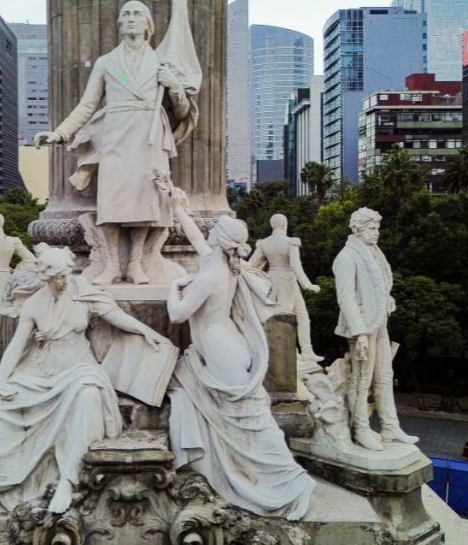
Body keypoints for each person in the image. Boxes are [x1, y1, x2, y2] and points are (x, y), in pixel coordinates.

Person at [0, 247, 173, 521]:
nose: (47, 277)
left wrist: (147, 332)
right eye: (43, 271)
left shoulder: (84, 291)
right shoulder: (34, 303)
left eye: (51, 271)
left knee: (88, 397)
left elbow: (115, 316)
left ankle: (67, 481)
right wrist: (1, 382)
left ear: (64, 272)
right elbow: (16, 346)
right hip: (40, 370)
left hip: (79, 368)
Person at [164, 188, 315, 521]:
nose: (208, 233)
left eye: (213, 230)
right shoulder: (219, 263)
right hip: (228, 347)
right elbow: (195, 237)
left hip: (221, 354)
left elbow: (177, 315)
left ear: (219, 237)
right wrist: (177, 207)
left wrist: (172, 288)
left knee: (253, 423)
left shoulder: (210, 275)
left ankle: (288, 482)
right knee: (198, 397)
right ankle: (220, 462)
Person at [33, 0, 198, 285]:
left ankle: (135, 264)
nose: (131, 18)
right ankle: (111, 265)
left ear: (148, 25)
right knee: (111, 202)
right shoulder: (108, 63)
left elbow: (182, 113)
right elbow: (87, 105)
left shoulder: (162, 63)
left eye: (137, 14)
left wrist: (174, 87)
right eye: (126, 14)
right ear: (119, 24)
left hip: (148, 136)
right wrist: (59, 133)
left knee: (145, 204)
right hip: (116, 135)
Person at [332, 207, 418, 451]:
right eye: (371, 228)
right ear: (358, 229)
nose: (376, 232)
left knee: (385, 375)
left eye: (377, 228)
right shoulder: (346, 257)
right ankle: (360, 428)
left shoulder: (375, 254)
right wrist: (359, 332)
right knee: (362, 379)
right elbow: (345, 298)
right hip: (362, 327)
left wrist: (386, 298)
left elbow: (379, 285)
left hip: (379, 322)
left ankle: (390, 427)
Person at [249, 213, 324, 363]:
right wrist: (307, 285)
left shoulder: (264, 243)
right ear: (285, 225)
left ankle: (306, 351)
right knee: (291, 318)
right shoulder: (291, 242)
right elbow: (296, 265)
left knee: (288, 316)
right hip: (288, 281)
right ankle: (290, 352)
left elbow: (251, 266)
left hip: (271, 281)